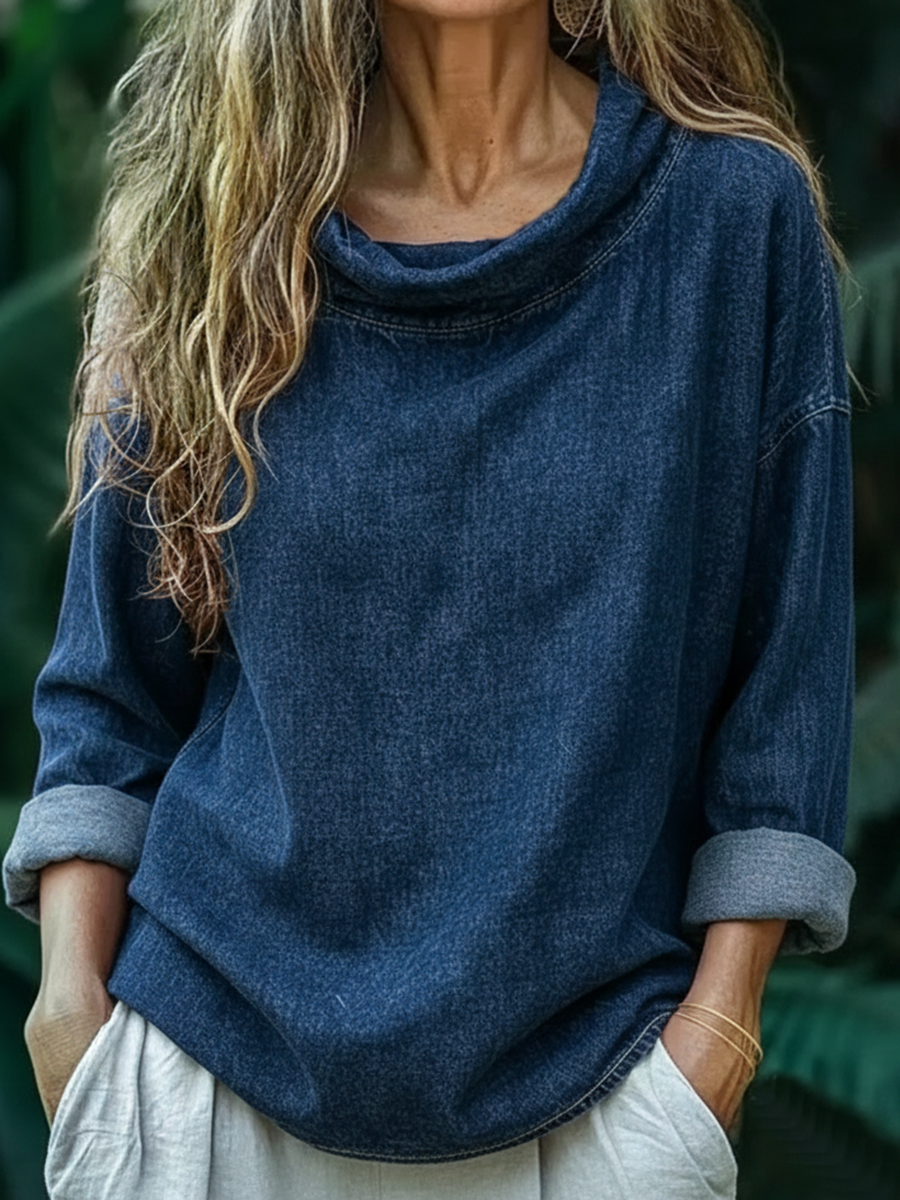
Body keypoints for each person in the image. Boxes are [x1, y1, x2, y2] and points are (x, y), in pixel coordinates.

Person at [2, 0, 858, 1196]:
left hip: (599, 1108)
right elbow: (111, 688)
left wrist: (717, 1037)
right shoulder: (215, 217)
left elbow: (783, 687)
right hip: (205, 1093)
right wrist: (70, 1013)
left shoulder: (732, 220)